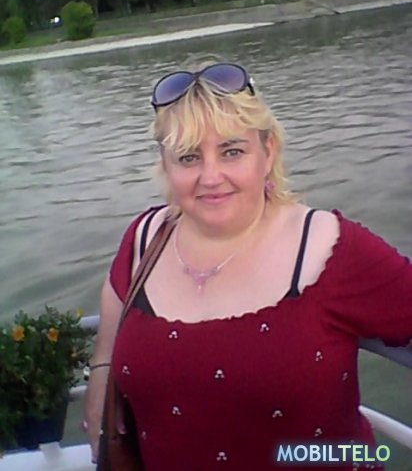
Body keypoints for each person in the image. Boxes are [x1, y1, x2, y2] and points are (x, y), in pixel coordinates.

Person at [83, 61, 412, 470]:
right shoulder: (145, 239)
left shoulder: (330, 247)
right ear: (166, 165)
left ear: (267, 151)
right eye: (188, 157)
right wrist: (101, 371)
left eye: (232, 151)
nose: (211, 176)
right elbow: (115, 297)